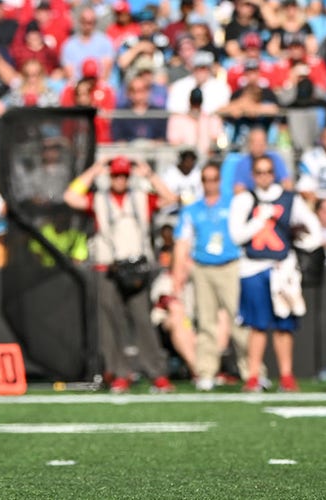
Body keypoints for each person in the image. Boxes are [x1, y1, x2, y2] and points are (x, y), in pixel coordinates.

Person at [63, 155, 178, 394]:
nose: (119, 180)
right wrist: (95, 169)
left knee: (143, 321)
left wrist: (149, 175)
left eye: (124, 175)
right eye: (115, 175)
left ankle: (157, 373)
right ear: (110, 176)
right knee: (110, 324)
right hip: (108, 268)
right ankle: (119, 373)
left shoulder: (140, 198)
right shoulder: (99, 199)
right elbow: (70, 196)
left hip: (136, 268)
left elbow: (169, 198)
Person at [228, 155, 322, 392]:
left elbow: (315, 230)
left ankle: (286, 376)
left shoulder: (290, 199)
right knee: (257, 326)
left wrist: (302, 243)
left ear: (274, 173)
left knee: (284, 325)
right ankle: (253, 376)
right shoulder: (244, 199)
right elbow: (237, 236)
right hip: (253, 267)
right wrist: (260, 220)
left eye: (268, 172)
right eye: (259, 172)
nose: (264, 176)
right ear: (252, 175)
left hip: (282, 268)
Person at [172, 161, 243, 391]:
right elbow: (182, 243)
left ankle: (251, 370)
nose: (210, 184)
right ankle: (205, 371)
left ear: (219, 181)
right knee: (205, 322)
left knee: (240, 320)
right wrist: (178, 276)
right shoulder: (193, 209)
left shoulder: (232, 204)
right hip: (202, 267)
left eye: (214, 179)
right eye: (206, 179)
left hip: (230, 265)